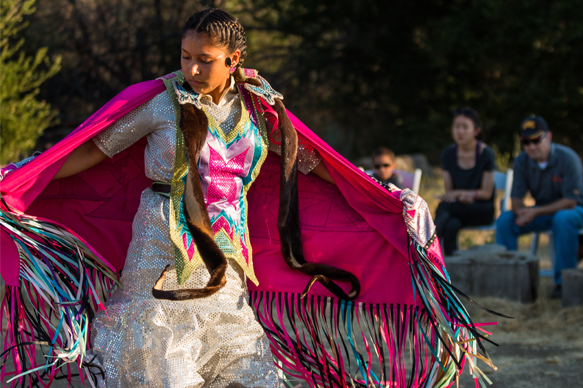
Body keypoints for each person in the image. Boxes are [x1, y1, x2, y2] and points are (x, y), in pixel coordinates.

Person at [0, 8, 495, 388]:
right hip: (160, 249)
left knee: (245, 370)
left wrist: (375, 189)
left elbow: (310, 159)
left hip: (228, 257)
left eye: (205, 59)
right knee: (165, 365)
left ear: (233, 60)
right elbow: (92, 149)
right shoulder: (161, 102)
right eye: (186, 56)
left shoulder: (258, 109)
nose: (193, 68)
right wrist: (25, 176)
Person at [496, 116, 583, 299]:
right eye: (526, 142)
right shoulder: (521, 161)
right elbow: (516, 199)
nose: (531, 146)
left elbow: (570, 202)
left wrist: (533, 211)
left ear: (548, 136)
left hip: (577, 210)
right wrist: (521, 212)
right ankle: (507, 281)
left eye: (536, 140)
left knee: (563, 218)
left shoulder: (568, 158)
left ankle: (563, 283)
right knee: (505, 220)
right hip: (542, 212)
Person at [435, 108, 496, 256]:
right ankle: (450, 269)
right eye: (456, 127)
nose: (460, 131)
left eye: (465, 127)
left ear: (476, 130)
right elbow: (450, 192)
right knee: (451, 225)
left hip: (481, 208)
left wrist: (468, 195)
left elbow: (487, 193)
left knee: (444, 207)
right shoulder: (448, 154)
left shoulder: (486, 154)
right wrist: (460, 196)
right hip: (458, 208)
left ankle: (426, 244)